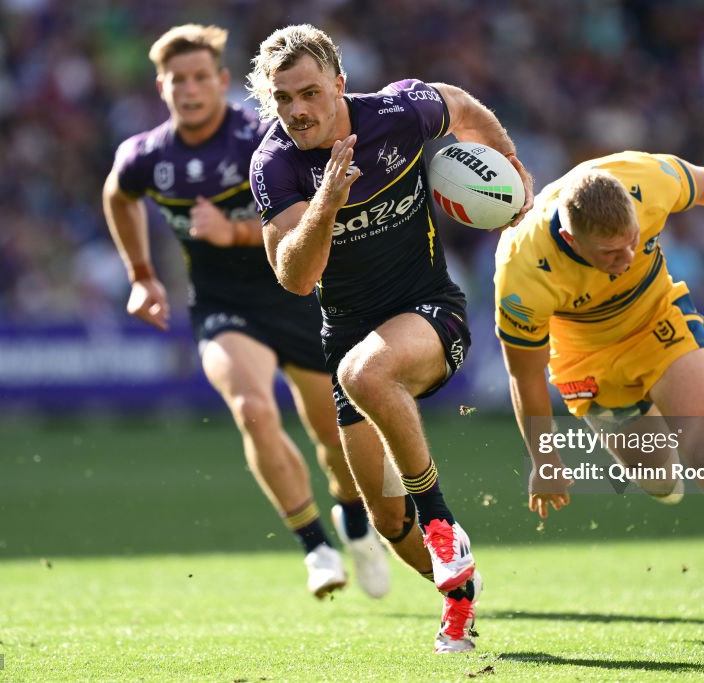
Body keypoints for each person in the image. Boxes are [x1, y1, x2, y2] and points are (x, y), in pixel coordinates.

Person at [246, 24, 534, 653]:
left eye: (310, 93)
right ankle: (459, 599)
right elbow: (295, 277)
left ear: (340, 86)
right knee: (383, 516)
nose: (297, 109)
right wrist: (326, 200)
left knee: (363, 375)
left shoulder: (398, 113)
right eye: (283, 98)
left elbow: (459, 104)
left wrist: (510, 165)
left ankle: (440, 518)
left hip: (430, 314)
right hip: (347, 334)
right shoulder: (274, 165)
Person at [101, 24, 389, 601]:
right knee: (252, 407)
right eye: (177, 80)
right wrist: (140, 275)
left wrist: (230, 231)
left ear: (223, 82)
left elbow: (303, 223)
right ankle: (315, 546)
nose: (189, 89)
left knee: (334, 439)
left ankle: (355, 525)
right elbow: (118, 193)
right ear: (162, 88)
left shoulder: (262, 136)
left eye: (200, 77)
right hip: (222, 308)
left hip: (298, 296)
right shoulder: (147, 155)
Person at [494, 150, 704, 643]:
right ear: (570, 238)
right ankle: (647, 413)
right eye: (611, 254)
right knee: (662, 480)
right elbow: (524, 376)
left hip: (659, 322)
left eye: (634, 241)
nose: (628, 257)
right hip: (586, 361)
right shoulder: (521, 270)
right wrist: (544, 459)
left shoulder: (642, 179)